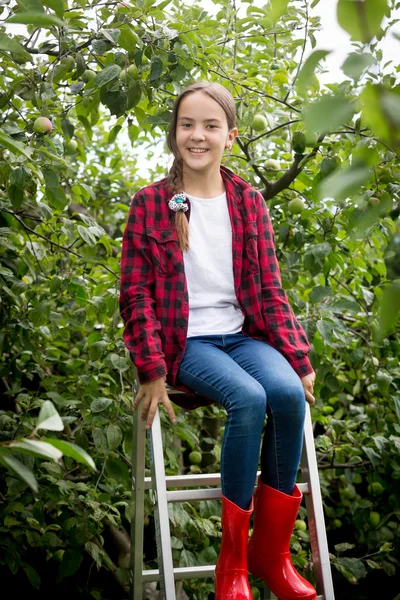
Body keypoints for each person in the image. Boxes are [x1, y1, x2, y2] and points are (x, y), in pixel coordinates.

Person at [120, 80, 317, 600]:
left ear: (231, 135)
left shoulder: (249, 202)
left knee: (289, 395)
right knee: (249, 399)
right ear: (174, 134)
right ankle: (230, 566)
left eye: (210, 126)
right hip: (188, 344)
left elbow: (270, 288)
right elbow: (135, 293)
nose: (198, 135)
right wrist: (152, 368)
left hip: (242, 336)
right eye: (188, 125)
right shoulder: (150, 204)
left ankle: (270, 556)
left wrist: (297, 358)